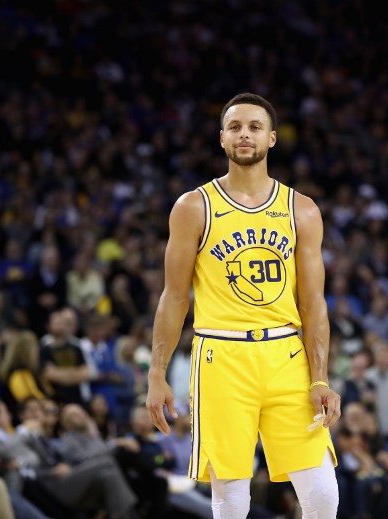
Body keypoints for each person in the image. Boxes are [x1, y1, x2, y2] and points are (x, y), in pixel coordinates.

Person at [146, 92, 341, 518]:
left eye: (254, 127)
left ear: (272, 138)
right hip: (222, 356)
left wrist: (321, 377)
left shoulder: (301, 209)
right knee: (232, 502)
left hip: (287, 356)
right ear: (221, 139)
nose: (245, 134)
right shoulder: (193, 206)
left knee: (324, 495)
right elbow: (174, 296)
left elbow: (313, 303)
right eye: (235, 127)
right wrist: (157, 373)